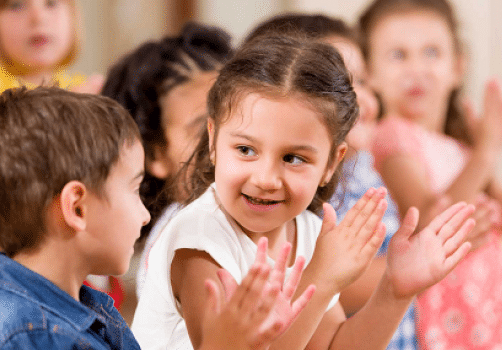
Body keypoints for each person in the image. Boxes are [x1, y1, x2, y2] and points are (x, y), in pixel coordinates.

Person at [131, 33, 477, 350]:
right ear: (213, 140)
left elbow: (332, 347)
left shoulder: (308, 231)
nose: (266, 178)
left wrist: (395, 291)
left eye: (293, 158)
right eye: (246, 150)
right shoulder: (198, 242)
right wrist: (320, 279)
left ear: (330, 163)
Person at [0, 86, 314, 350]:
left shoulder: (81, 305)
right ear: (77, 208)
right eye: (135, 189)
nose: (144, 214)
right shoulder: (37, 336)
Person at [360, 0, 502, 348]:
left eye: (431, 52)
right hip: (447, 316)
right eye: (398, 55)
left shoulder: (461, 148)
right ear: (371, 74)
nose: (417, 68)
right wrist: (486, 151)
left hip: (491, 307)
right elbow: (431, 221)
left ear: (458, 67)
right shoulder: (391, 137)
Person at [243, 13, 413, 349]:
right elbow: (325, 285)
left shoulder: (368, 166)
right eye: (341, 86)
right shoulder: (290, 195)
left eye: (362, 81)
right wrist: (400, 272)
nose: (361, 99)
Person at [101, 21, 233, 296]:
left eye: (236, 116)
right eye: (202, 127)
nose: (232, 138)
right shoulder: (189, 240)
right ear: (152, 154)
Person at [0, 0, 103, 93]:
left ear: (73, 16)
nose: (38, 18)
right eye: (16, 5)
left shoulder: (86, 88)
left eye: (51, 3)